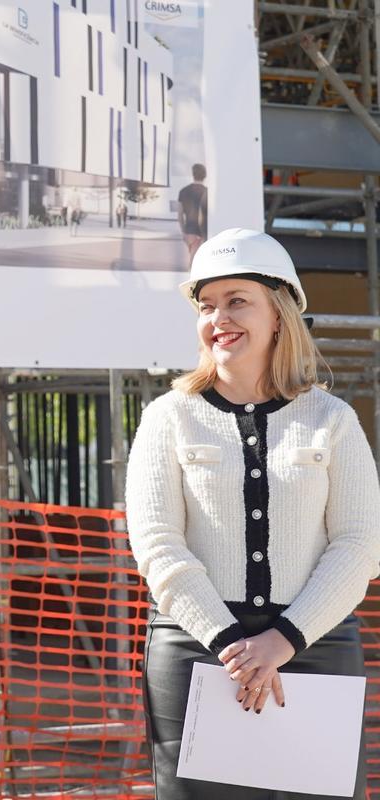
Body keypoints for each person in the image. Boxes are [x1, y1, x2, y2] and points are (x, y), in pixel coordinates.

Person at [126, 228, 380, 799]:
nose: (219, 317)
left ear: (279, 314)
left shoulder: (332, 419)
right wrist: (230, 646)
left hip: (314, 647)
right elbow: (158, 544)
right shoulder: (168, 418)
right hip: (197, 653)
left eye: (238, 300)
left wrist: (283, 641)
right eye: (207, 305)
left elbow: (359, 545)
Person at [177, 163, 208, 267]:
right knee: (196, 262)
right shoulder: (207, 192)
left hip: (189, 230)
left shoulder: (183, 191)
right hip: (203, 232)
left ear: (193, 174)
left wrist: (183, 231)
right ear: (205, 175)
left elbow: (180, 215)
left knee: (193, 258)